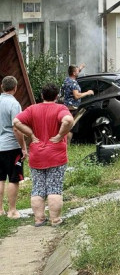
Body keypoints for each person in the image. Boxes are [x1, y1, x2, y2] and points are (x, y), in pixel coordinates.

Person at [13, 83, 74, 227]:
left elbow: (16, 122)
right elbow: (69, 120)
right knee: (54, 187)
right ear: (57, 96)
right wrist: (60, 135)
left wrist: (31, 134)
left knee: (38, 188)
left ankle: (39, 219)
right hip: (56, 154)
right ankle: (55, 220)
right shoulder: (60, 108)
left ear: (42, 95)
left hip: (37, 155)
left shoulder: (32, 109)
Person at [0, 76, 26, 219]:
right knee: (14, 178)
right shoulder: (14, 104)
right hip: (11, 146)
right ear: (15, 88)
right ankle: (12, 210)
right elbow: (16, 128)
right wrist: (23, 147)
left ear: (2, 87)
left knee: (0, 178)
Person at [61, 64, 93, 143]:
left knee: (66, 125)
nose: (78, 72)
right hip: (73, 108)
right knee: (71, 127)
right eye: (77, 71)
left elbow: (75, 72)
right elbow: (77, 96)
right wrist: (88, 92)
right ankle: (67, 144)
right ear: (74, 73)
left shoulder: (67, 80)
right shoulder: (74, 83)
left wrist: (80, 68)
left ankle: (64, 144)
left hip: (66, 106)